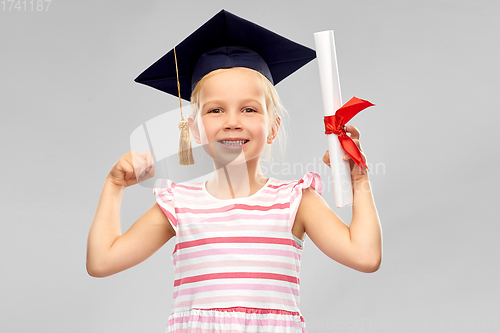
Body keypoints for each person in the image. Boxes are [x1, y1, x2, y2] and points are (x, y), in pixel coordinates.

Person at [86, 9, 382, 333]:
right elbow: (102, 262)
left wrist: (359, 179)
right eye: (215, 110)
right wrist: (114, 186)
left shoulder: (296, 201)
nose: (232, 121)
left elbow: (365, 256)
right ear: (195, 130)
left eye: (249, 109)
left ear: (272, 129)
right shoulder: (179, 205)